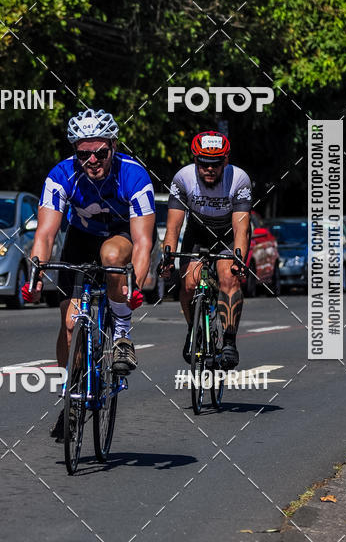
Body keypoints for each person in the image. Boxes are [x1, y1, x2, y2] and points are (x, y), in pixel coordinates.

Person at [21, 108, 156, 438]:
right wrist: (35, 276)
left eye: (100, 153)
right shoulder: (61, 175)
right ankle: (72, 395)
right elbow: (45, 234)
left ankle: (121, 335)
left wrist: (135, 286)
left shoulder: (134, 176)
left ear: (113, 146)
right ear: (75, 152)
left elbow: (142, 242)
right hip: (80, 240)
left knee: (111, 255)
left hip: (120, 237)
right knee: (70, 325)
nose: (92, 160)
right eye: (84, 154)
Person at [161, 130, 252, 370]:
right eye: (203, 163)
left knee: (229, 278)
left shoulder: (239, 179)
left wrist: (239, 260)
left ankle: (229, 341)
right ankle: (194, 330)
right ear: (195, 160)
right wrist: (167, 256)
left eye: (215, 163)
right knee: (189, 284)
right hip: (197, 232)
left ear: (225, 161)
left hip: (228, 234)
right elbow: (174, 225)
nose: (209, 169)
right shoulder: (183, 178)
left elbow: (241, 227)